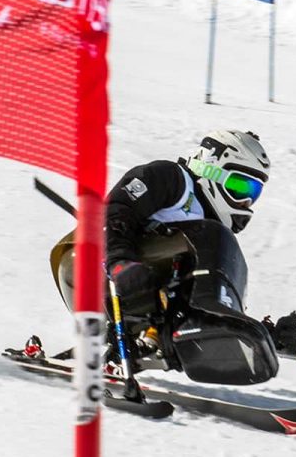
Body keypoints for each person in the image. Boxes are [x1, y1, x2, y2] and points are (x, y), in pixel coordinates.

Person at [103, 130, 271, 358]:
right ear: (213, 170)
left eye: (254, 192)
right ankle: (145, 333)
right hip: (104, 272)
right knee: (210, 238)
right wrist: (119, 262)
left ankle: (157, 338)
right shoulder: (172, 179)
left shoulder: (213, 234)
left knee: (213, 245)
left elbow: (210, 296)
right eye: (241, 187)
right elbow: (115, 209)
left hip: (156, 301)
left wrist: (263, 334)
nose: (246, 201)